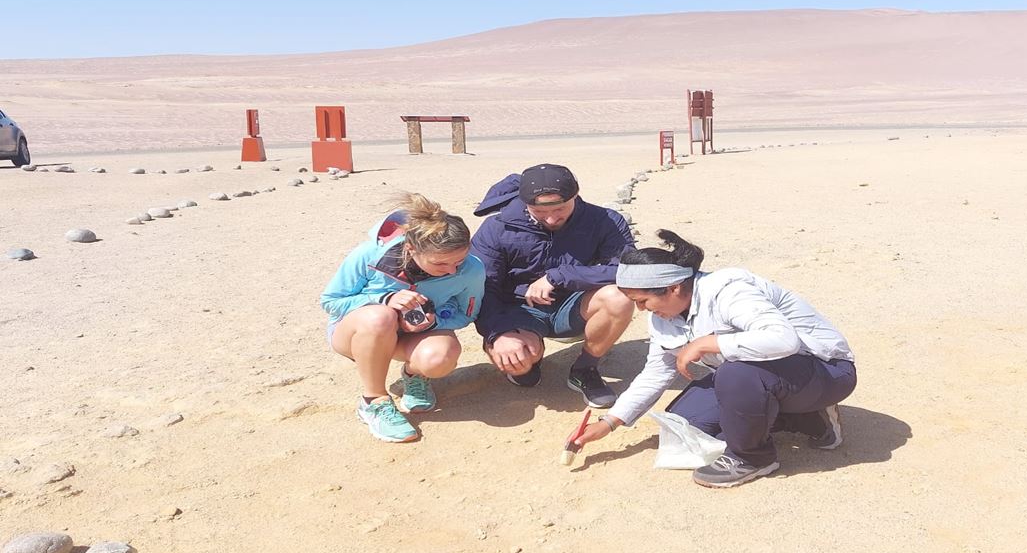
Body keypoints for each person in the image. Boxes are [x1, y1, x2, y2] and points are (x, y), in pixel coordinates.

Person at [573, 229, 857, 488]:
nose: (641, 310)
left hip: (823, 370)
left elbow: (782, 339)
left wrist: (710, 342)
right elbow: (655, 373)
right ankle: (806, 419)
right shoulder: (664, 316)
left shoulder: (728, 290)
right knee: (687, 423)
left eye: (643, 301)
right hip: (764, 376)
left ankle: (753, 458)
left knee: (735, 376)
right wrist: (610, 422)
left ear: (673, 288)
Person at [321, 193, 485, 442]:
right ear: (411, 249)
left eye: (459, 260)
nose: (452, 270)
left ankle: (415, 376)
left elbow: (467, 314)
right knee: (380, 317)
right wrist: (384, 299)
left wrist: (433, 320)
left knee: (440, 358)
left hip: (412, 337)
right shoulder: (369, 255)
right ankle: (373, 401)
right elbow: (331, 302)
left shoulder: (472, 269)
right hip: (358, 335)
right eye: (440, 264)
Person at [471, 163, 635, 407]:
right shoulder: (496, 229)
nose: (550, 218)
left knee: (619, 298)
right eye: (538, 211)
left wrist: (560, 276)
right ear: (525, 202)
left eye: (560, 209)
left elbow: (628, 271)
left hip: (573, 304)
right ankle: (529, 359)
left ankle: (584, 369)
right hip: (518, 310)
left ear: (575, 196)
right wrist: (497, 333)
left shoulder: (605, 220)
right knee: (521, 364)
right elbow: (483, 287)